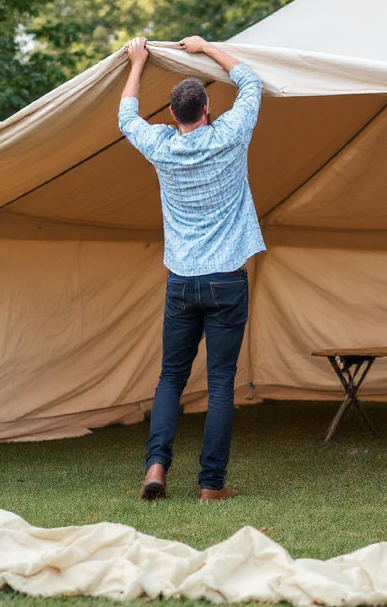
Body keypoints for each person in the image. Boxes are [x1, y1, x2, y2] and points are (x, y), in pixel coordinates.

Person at [118, 35, 265, 503]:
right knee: (220, 383)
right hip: (227, 279)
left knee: (170, 378)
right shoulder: (229, 135)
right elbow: (250, 82)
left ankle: (156, 467)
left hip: (182, 281)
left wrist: (137, 63)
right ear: (206, 109)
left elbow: (126, 117)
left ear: (173, 114)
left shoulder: (161, 146)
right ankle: (210, 485)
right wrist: (207, 49)